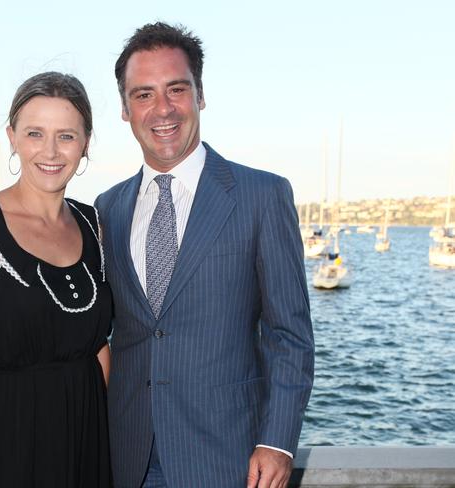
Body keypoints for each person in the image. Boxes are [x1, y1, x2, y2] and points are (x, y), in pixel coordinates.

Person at [94, 22, 315, 488]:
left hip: (230, 458)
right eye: (143, 94)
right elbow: (92, 325)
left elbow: (289, 335)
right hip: (127, 455)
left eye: (176, 89)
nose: (162, 109)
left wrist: (278, 442)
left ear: (200, 94)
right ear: (124, 109)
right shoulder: (107, 209)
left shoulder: (262, 195)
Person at [0, 72, 112, 487]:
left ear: (86, 143)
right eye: (35, 133)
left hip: (87, 437)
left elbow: (98, 344)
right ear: (12, 137)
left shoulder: (93, 225)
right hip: (7, 438)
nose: (50, 151)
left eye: (66, 136)